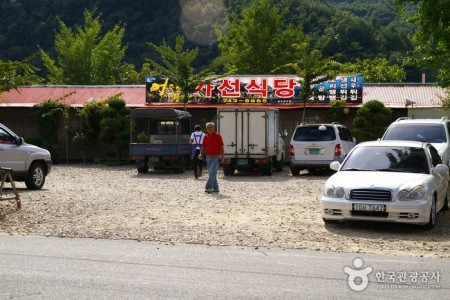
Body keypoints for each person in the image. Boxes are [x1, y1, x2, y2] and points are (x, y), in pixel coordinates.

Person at [199, 122, 224, 193]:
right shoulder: (205, 136)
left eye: (211, 127)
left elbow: (221, 147)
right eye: (208, 127)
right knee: (211, 173)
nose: (209, 128)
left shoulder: (218, 136)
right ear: (206, 129)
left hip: (215, 157)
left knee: (212, 173)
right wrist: (200, 154)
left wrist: (222, 157)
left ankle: (208, 187)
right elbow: (203, 146)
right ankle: (216, 188)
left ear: (214, 128)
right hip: (208, 157)